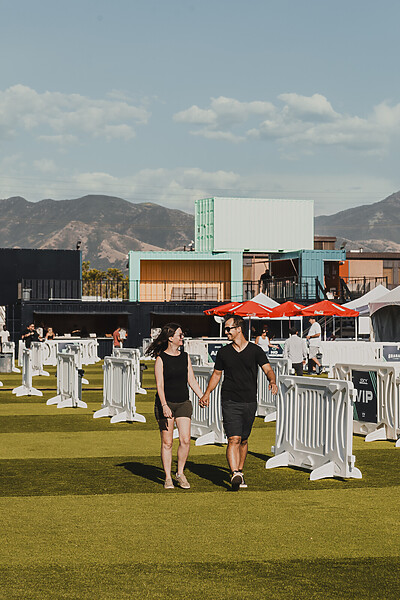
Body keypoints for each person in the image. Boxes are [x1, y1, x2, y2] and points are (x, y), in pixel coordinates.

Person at [200, 315, 278, 491]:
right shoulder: (223, 352)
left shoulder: (256, 351)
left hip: (250, 401)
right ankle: (234, 472)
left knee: (243, 439)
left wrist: (272, 381)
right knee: (233, 438)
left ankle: (240, 472)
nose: (226, 332)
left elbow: (268, 369)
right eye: (226, 329)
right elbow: (217, 375)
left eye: (228, 329)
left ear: (238, 329)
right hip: (229, 400)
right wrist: (206, 393)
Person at [146, 323, 203, 490]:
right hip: (166, 404)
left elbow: (191, 380)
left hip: (183, 402)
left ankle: (180, 473)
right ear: (171, 338)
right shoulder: (161, 359)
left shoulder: (185, 357)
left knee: (185, 440)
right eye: (180, 335)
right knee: (167, 442)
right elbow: (160, 385)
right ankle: (167, 477)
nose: (182, 337)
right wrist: (164, 405)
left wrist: (202, 396)